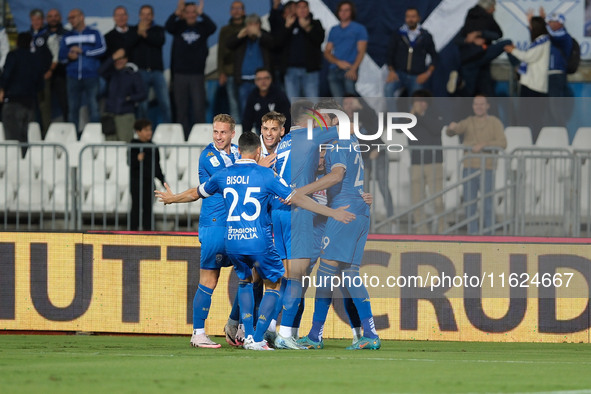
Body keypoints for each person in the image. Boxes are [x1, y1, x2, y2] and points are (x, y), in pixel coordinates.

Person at [156, 131, 355, 350]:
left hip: (232, 241)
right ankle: (258, 337)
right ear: (258, 151)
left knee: (245, 282)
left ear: (238, 150)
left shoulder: (223, 174)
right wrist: (330, 212)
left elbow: (196, 192)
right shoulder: (265, 175)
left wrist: (172, 198)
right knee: (276, 284)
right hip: (257, 240)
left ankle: (247, 334)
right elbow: (295, 197)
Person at [295, 99, 382, 350]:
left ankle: (314, 335)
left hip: (343, 211)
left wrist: (302, 190)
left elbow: (337, 175)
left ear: (335, 121)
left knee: (325, 275)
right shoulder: (350, 142)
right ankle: (370, 334)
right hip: (360, 210)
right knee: (350, 275)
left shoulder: (339, 142)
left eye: (324, 118)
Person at [446, 95, 507, 234]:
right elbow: (453, 132)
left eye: (482, 104)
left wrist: (484, 145)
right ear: (473, 106)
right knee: (469, 204)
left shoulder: (495, 122)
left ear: (488, 106)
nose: (479, 107)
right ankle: (472, 234)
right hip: (468, 168)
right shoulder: (468, 121)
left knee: (487, 204)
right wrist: (451, 128)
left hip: (487, 168)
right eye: (476, 104)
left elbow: (503, 143)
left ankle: (488, 234)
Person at [166, 0, 216, 138]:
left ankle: (200, 138)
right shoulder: (178, 26)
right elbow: (168, 26)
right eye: (187, 12)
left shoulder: (202, 27)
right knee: (181, 109)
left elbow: (213, 27)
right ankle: (183, 139)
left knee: (199, 108)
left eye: (194, 12)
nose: (191, 15)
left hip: (197, 74)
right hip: (180, 75)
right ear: (184, 13)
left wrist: (202, 14)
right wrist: (177, 12)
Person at [343, 94, 394, 219]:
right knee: (363, 189)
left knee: (383, 185)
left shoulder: (364, 114)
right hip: (361, 159)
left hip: (378, 154)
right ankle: (365, 218)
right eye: (346, 104)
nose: (349, 106)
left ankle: (391, 218)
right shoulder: (342, 120)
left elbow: (376, 128)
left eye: (351, 103)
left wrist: (361, 108)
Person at [58, 8, 107, 134]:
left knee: (94, 108)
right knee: (73, 109)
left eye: (73, 17)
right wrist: (69, 57)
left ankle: (95, 136)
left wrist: (84, 51)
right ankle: (72, 137)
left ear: (81, 17)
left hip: (91, 76)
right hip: (72, 77)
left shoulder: (94, 33)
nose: (71, 21)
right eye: (69, 18)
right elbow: (61, 56)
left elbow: (102, 50)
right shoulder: (67, 36)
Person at [452, 0, 511, 96]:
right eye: (493, 7)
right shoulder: (487, 18)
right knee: (508, 43)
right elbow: (498, 35)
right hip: (481, 55)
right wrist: (481, 34)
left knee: (469, 93)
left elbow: (458, 40)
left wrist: (469, 39)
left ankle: (459, 84)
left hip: (468, 61)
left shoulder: (469, 18)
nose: (495, 10)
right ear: (488, 8)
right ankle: (518, 69)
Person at [0, 32, 44, 156]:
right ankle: (24, 162)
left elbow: (6, 75)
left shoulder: (13, 56)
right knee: (26, 135)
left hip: (13, 101)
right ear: (30, 43)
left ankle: (15, 165)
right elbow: (40, 83)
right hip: (30, 103)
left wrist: (2, 89)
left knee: (12, 137)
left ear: (17, 43)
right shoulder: (35, 58)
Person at [408, 90, 446, 234]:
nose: (419, 104)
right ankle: (421, 230)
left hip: (434, 162)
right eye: (416, 101)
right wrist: (411, 116)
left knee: (437, 199)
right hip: (416, 163)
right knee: (417, 200)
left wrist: (421, 115)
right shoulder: (410, 117)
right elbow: (400, 130)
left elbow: (436, 128)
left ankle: (442, 228)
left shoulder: (434, 113)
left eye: (422, 101)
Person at [129, 5, 172, 125]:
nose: (146, 17)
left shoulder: (158, 29)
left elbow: (159, 41)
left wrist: (145, 34)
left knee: (165, 102)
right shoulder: (133, 30)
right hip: (141, 72)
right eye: (143, 14)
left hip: (157, 71)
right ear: (139, 15)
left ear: (152, 16)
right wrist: (139, 33)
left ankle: (168, 129)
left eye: (148, 14)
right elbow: (129, 45)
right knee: (143, 104)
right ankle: (143, 132)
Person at [385, 7, 438, 98]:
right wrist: (391, 71)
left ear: (418, 18)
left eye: (413, 17)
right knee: (388, 89)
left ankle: (412, 113)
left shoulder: (425, 36)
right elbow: (389, 54)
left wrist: (427, 74)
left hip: (416, 76)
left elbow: (435, 57)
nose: (410, 19)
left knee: (416, 101)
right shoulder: (398, 34)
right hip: (399, 73)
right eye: (408, 17)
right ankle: (393, 112)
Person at [226, 13, 275, 109]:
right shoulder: (241, 36)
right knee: (245, 109)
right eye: (250, 24)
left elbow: (273, 44)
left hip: (262, 81)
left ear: (260, 25)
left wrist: (259, 35)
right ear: (246, 26)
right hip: (244, 81)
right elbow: (229, 45)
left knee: (264, 109)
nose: (253, 27)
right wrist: (239, 36)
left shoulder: (264, 34)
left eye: (255, 24)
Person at [279, 0, 325, 101]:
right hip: (291, 71)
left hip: (310, 71)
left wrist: (307, 28)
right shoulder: (289, 24)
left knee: (313, 103)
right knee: (294, 104)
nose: (302, 9)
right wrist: (287, 27)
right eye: (299, 7)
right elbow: (278, 43)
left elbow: (319, 40)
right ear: (295, 10)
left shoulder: (315, 23)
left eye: (305, 7)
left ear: (309, 9)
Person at [99, 48, 147, 142]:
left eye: (122, 58)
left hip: (125, 116)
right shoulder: (111, 74)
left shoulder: (133, 74)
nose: (119, 61)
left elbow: (142, 94)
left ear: (126, 60)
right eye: (117, 59)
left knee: (125, 145)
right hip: (109, 115)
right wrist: (112, 58)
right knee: (109, 147)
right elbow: (100, 71)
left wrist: (128, 98)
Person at [324, 1, 368, 97]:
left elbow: (361, 51)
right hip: (334, 69)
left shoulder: (359, 29)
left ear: (351, 12)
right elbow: (327, 51)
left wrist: (354, 69)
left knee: (350, 103)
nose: (343, 13)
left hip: (349, 69)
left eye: (346, 10)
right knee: (338, 105)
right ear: (338, 12)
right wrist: (338, 62)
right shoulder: (334, 29)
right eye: (341, 10)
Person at [129, 119, 165, 231]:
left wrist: (162, 179)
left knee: (148, 208)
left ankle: (148, 232)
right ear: (138, 132)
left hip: (149, 182)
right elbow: (130, 162)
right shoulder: (133, 145)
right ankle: (132, 232)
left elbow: (157, 166)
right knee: (136, 207)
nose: (149, 132)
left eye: (150, 129)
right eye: (146, 130)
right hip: (136, 182)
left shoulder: (153, 146)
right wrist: (137, 159)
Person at [504, 17, 550, 97]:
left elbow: (528, 57)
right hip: (533, 83)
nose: (529, 28)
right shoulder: (542, 40)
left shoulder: (541, 41)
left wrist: (513, 51)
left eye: (530, 26)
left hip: (533, 84)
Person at [217, 1, 245, 122]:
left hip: (245, 73)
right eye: (234, 8)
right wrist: (221, 72)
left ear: (243, 11)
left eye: (239, 8)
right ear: (230, 11)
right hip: (229, 72)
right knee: (233, 105)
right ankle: (238, 131)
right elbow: (221, 52)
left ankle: (248, 132)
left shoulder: (248, 28)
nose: (236, 10)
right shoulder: (225, 30)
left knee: (246, 104)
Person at [242, 68, 291, 134]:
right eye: (259, 79)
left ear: (271, 79)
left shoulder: (279, 95)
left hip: (278, 132)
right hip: (260, 131)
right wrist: (246, 138)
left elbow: (287, 117)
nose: (263, 81)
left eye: (266, 78)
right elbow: (247, 119)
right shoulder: (252, 96)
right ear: (255, 81)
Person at [29, 9, 53, 133]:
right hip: (29, 78)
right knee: (31, 106)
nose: (36, 22)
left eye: (38, 19)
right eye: (33, 19)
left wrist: (50, 70)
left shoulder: (47, 34)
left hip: (43, 77)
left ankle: (46, 133)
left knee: (44, 106)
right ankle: (33, 133)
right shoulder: (27, 35)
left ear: (43, 20)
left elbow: (55, 55)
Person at [45, 9, 69, 125]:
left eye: (56, 16)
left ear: (60, 18)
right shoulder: (42, 34)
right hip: (44, 74)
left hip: (62, 73)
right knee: (44, 104)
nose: (53, 18)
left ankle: (68, 128)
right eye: (50, 16)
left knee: (64, 103)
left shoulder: (67, 33)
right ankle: (44, 131)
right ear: (46, 19)